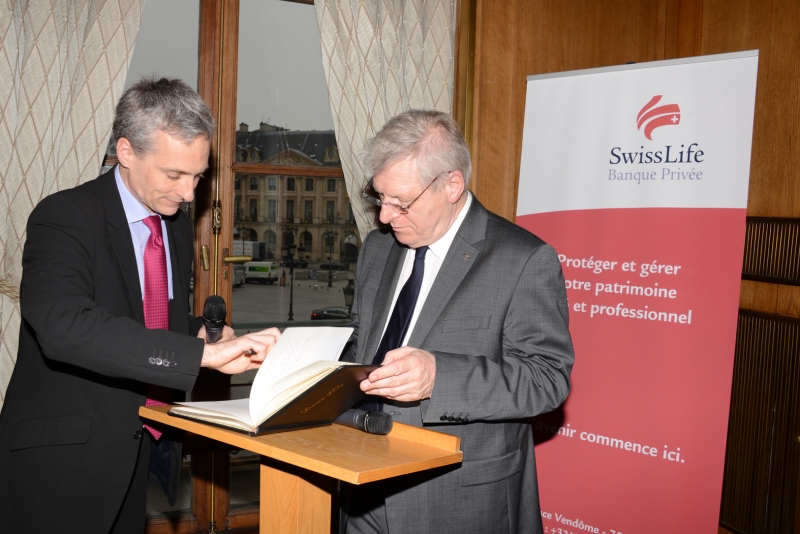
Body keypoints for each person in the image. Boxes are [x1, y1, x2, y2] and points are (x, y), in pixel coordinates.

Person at [0, 77, 280, 534]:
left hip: (138, 449)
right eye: (174, 175)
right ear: (126, 152)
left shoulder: (173, 226)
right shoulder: (64, 216)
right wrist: (199, 356)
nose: (189, 193)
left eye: (198, 176)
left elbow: (144, 317)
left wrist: (201, 334)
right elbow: (64, 325)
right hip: (62, 462)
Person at [340, 109, 574, 533]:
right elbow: (361, 344)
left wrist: (438, 378)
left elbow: (547, 379)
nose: (385, 217)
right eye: (380, 198)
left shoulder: (522, 259)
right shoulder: (378, 248)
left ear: (451, 185)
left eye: (401, 202)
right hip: (361, 485)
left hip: (456, 497)